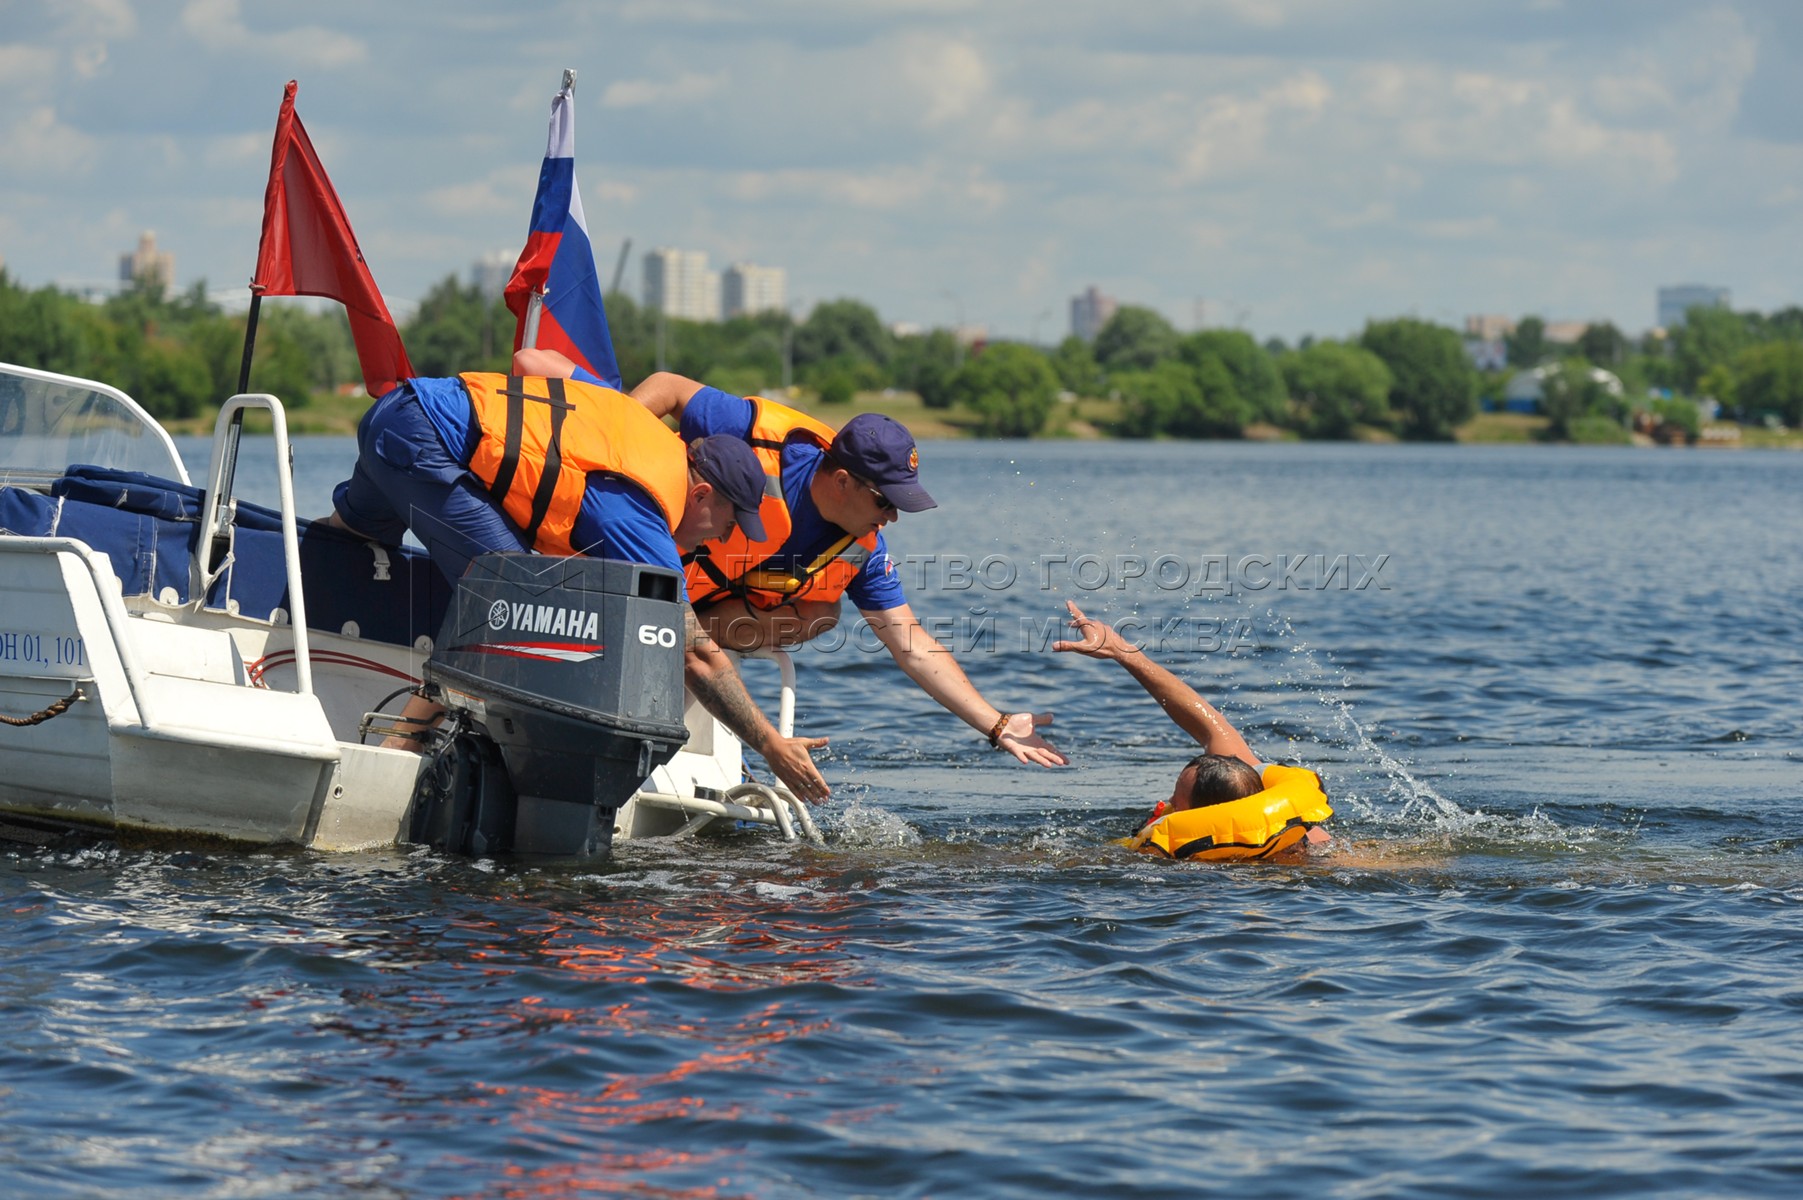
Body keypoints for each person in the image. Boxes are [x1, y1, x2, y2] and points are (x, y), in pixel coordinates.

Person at [325, 355, 830, 801]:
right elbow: (695, 653)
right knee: (518, 602)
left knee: (345, 539)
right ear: (701, 496)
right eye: (727, 522)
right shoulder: (641, 510)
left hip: (399, 411)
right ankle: (399, 749)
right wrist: (770, 742)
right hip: (424, 443)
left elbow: (533, 357)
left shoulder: (639, 426)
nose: (721, 539)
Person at [629, 370, 1065, 768]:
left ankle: (687, 661)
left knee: (822, 613)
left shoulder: (863, 550)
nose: (892, 517)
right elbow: (668, 387)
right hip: (626, 565)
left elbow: (910, 643)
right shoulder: (759, 440)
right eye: (885, 501)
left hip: (688, 616)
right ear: (841, 482)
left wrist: (996, 723)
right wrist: (616, 472)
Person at [1051, 601, 1332, 860]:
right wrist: (1121, 651)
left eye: (1177, 799)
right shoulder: (1243, 783)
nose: (1167, 802)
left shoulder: (1293, 860)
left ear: (1211, 815)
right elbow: (1208, 725)